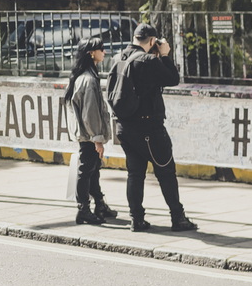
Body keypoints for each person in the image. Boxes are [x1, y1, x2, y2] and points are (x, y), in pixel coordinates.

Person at [108, 23, 197, 233]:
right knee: (166, 172)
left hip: (124, 127)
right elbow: (173, 79)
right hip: (149, 128)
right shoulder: (148, 61)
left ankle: (136, 219)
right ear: (151, 41)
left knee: (135, 173)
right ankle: (178, 217)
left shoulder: (118, 58)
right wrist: (165, 55)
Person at [62, 37, 118, 225]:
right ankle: (83, 209)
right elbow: (90, 112)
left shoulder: (84, 75)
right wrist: (97, 139)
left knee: (93, 169)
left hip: (86, 133)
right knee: (87, 170)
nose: (104, 52)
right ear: (91, 53)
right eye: (101, 49)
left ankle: (99, 204)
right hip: (89, 134)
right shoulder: (88, 80)